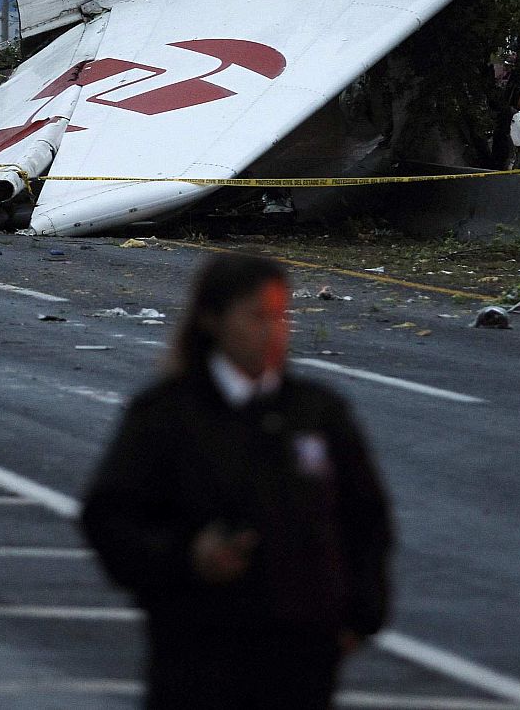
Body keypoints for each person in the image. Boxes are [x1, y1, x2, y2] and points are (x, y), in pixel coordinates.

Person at [81, 254, 393, 710]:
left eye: (280, 316)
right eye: (255, 316)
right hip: (200, 655)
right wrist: (186, 556)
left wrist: (360, 615)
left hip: (300, 659)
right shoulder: (169, 415)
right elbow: (110, 518)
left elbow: (366, 518)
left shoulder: (317, 414)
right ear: (213, 320)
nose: (272, 330)